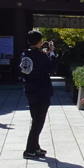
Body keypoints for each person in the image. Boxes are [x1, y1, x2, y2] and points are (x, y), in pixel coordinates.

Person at [20, 30, 58, 158]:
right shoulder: (40, 56)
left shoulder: (25, 54)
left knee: (35, 119)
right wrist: (52, 52)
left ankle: (35, 147)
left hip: (30, 89)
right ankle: (29, 149)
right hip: (41, 91)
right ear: (40, 42)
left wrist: (44, 54)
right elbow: (52, 67)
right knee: (38, 121)